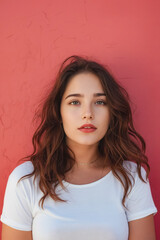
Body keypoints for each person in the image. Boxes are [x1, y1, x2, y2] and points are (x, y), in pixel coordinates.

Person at [0, 55, 157, 240]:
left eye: (100, 102)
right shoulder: (26, 180)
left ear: (112, 112)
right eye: (75, 102)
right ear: (59, 112)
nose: (88, 114)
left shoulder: (132, 178)